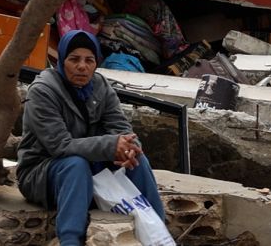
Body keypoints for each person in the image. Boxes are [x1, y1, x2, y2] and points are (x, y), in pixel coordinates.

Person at [17, 29, 165, 246]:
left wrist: (129, 147)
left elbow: (122, 129)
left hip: (91, 165)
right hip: (42, 172)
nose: (82, 66)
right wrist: (110, 145)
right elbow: (60, 146)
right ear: (62, 61)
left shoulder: (101, 87)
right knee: (74, 165)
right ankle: (70, 240)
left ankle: (160, 234)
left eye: (89, 60)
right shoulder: (43, 91)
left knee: (136, 159)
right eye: (74, 59)